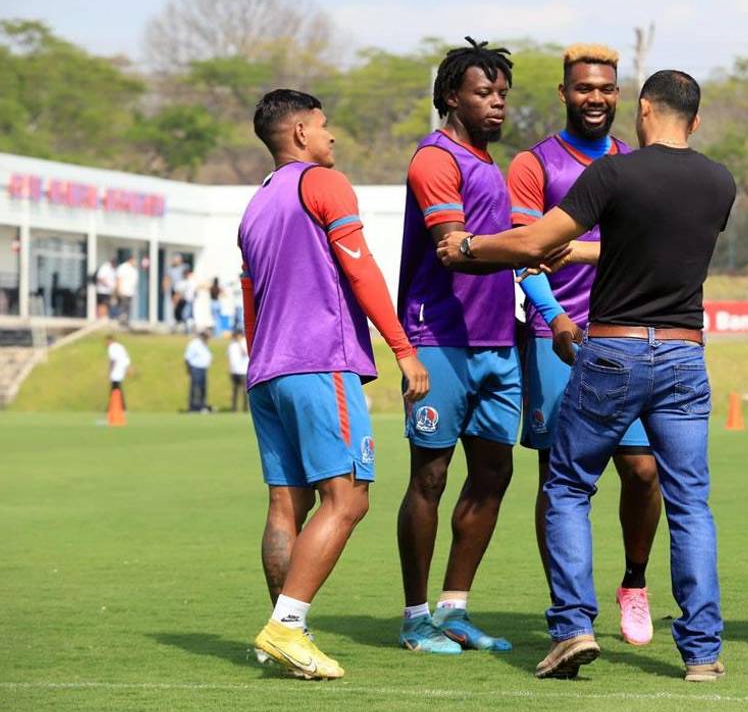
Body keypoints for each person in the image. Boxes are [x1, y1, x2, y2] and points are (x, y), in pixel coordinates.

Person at [439, 69, 737, 682]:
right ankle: (703, 653)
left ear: (644, 111)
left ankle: (573, 627)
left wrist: (468, 249)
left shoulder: (614, 173)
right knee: (690, 502)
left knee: (569, 487)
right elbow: (643, 245)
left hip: (614, 350)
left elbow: (534, 242)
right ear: (697, 120)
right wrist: (577, 250)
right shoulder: (719, 181)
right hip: (684, 352)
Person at [242, 89, 429, 679]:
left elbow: (252, 306)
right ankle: (286, 627)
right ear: (299, 132)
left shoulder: (255, 207)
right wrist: (404, 349)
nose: (332, 136)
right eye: (324, 125)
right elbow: (360, 265)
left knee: (284, 504)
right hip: (318, 362)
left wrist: (264, 365)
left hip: (267, 372)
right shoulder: (323, 182)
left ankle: (287, 638)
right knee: (348, 499)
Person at [507, 43, 661, 646]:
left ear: (619, 95)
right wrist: (556, 317)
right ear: (565, 93)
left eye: (606, 88)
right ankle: (568, 614)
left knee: (643, 472)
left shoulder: (636, 163)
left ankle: (634, 585)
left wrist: (578, 250)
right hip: (556, 338)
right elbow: (524, 253)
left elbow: (648, 253)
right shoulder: (534, 162)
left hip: (626, 338)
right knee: (560, 480)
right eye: (583, 88)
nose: (595, 98)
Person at [393, 38, 528, 656]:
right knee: (431, 475)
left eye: (502, 94)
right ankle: (416, 618)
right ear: (452, 97)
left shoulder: (487, 163)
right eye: (483, 93)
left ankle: (454, 609)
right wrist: (536, 244)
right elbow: (454, 247)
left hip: (499, 343)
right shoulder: (434, 159)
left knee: (494, 472)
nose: (497, 104)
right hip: (439, 340)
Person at [184, 330, 212, 412]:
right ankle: (193, 407)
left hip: (203, 369)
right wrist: (189, 370)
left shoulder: (205, 345)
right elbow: (187, 357)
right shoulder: (194, 344)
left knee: (203, 388)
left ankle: (201, 406)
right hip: (195, 368)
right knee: (195, 388)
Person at [106, 334, 130, 410]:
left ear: (110, 340)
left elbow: (113, 360)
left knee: (115, 389)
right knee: (117, 388)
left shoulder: (112, 347)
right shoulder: (120, 346)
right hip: (121, 369)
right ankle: (121, 407)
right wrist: (127, 368)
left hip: (116, 370)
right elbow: (126, 357)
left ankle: (115, 407)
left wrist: (110, 370)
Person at [228, 330, 250, 412]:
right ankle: (234, 408)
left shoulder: (244, 342)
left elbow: (245, 353)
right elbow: (230, 357)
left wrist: (240, 344)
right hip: (234, 371)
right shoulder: (232, 345)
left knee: (244, 391)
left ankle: (245, 408)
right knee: (235, 390)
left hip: (243, 371)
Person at [115, 256, 138, 326]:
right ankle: (121, 322)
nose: (136, 262)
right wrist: (119, 289)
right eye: (135, 260)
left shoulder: (133, 269)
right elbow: (119, 279)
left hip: (131, 292)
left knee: (128, 308)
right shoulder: (123, 267)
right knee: (122, 307)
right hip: (124, 291)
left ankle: (126, 322)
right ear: (131, 260)